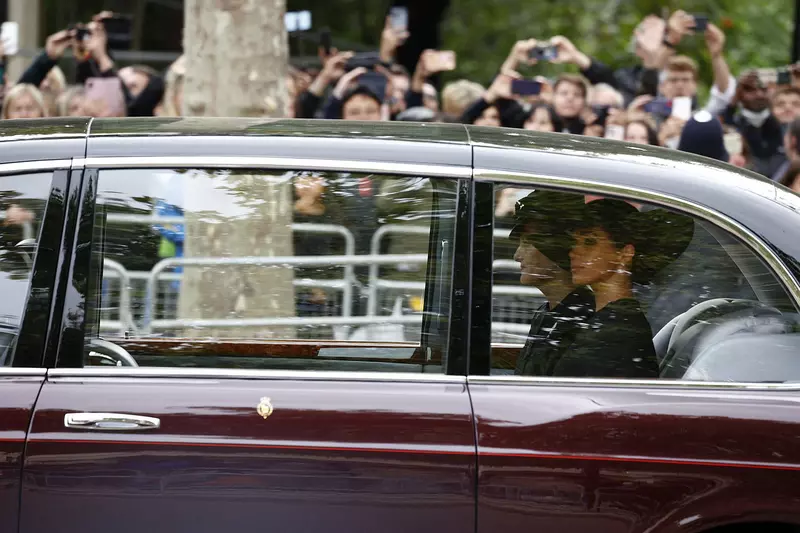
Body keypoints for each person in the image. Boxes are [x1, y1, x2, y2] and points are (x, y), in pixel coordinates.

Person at [555, 199, 660, 378]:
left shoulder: (618, 332)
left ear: (625, 253)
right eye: (574, 242)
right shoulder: (611, 321)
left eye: (589, 242)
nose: (573, 252)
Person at [510, 190, 595, 376]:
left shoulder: (582, 322)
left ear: (555, 248)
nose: (517, 256)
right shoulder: (547, 312)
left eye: (527, 243)